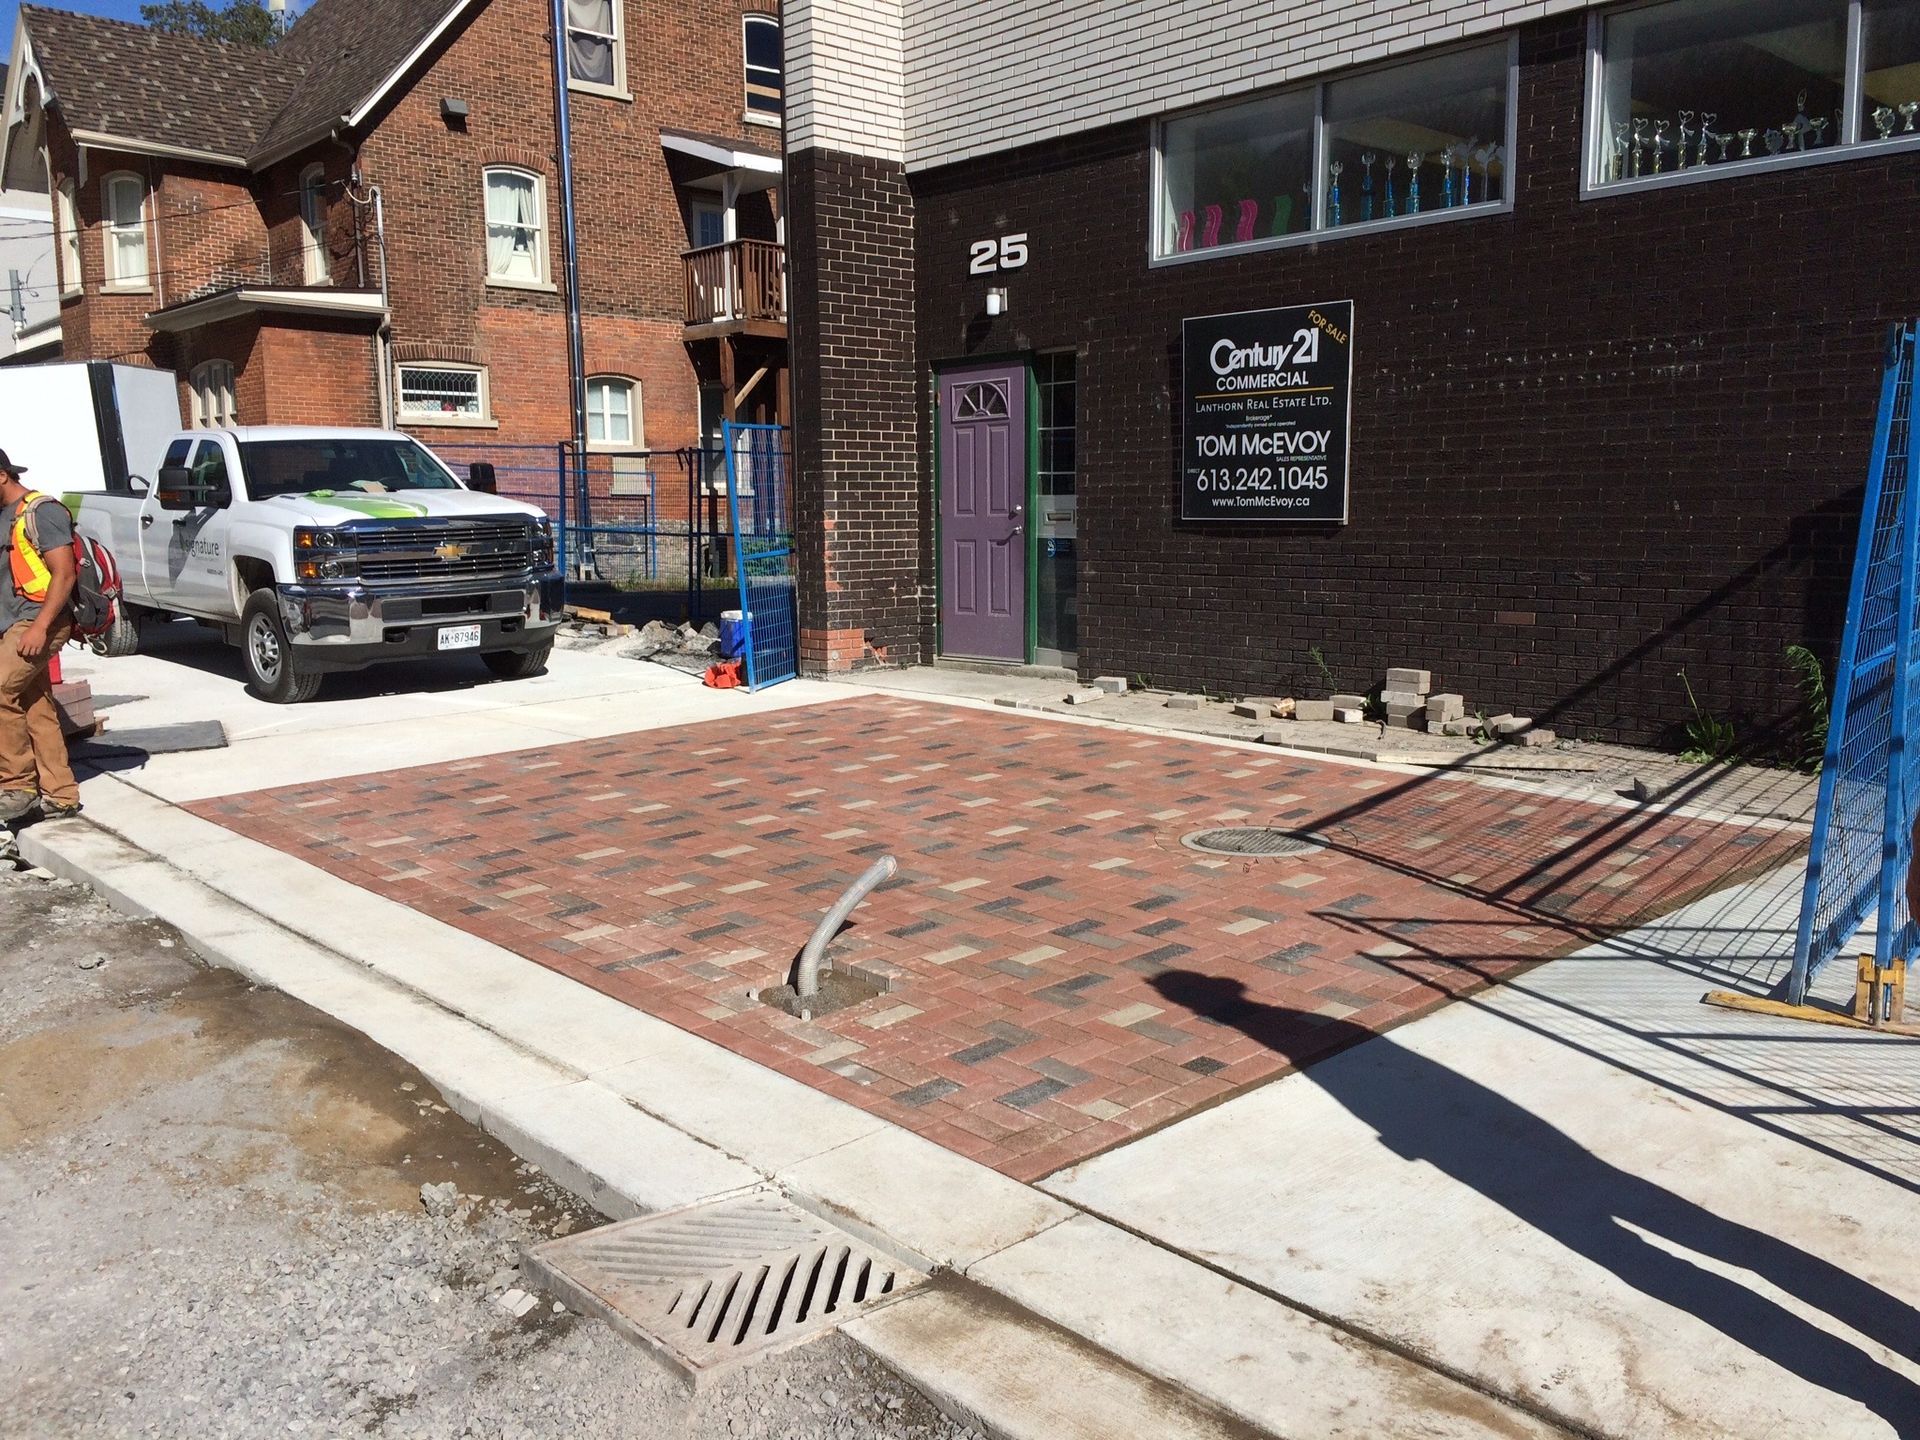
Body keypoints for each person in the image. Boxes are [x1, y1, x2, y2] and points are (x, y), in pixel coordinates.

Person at [0, 448, 81, 823]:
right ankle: (61, 793)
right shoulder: (4, 517)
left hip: (39, 620)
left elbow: (64, 574)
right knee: (34, 704)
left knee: (0, 690)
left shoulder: (41, 511)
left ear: (2, 475)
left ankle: (17, 787)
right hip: (14, 623)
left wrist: (40, 626)